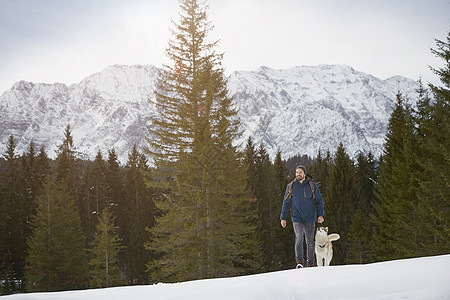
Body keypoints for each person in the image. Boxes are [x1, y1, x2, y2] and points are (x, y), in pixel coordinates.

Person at [280, 165, 325, 268]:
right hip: (297, 217)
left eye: (300, 172)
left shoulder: (312, 185)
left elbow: (319, 201)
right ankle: (299, 262)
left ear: (304, 174)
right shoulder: (291, 186)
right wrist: (283, 217)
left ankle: (310, 262)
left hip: (310, 217)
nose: (298, 174)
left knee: (310, 240)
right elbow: (286, 202)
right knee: (299, 237)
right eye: (296, 172)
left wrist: (321, 215)